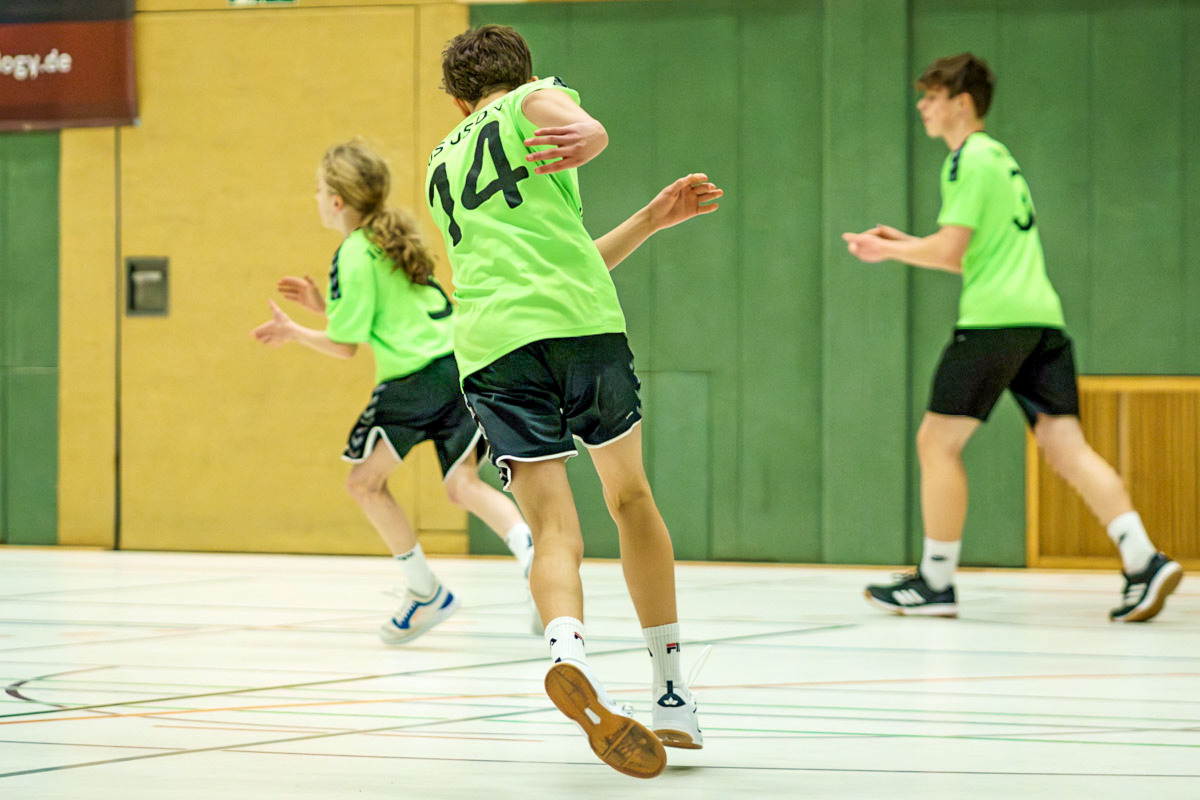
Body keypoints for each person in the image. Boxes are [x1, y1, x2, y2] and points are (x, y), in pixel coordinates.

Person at [427, 25, 723, 778]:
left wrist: (650, 219)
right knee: (630, 499)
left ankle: (568, 652)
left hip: (492, 346)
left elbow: (560, 259)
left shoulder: (439, 163)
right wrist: (590, 133)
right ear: (523, 75)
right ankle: (671, 692)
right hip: (580, 330)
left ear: (458, 102)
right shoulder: (532, 99)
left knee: (553, 526)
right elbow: (576, 123)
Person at [843, 53, 1183, 623]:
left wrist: (888, 250)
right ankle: (1143, 559)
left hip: (993, 322)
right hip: (1042, 321)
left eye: (932, 96)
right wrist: (908, 243)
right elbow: (972, 256)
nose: (923, 107)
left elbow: (951, 252)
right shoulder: (1001, 159)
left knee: (936, 443)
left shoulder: (967, 161)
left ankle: (935, 580)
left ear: (962, 103)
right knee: (1066, 448)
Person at [252, 139, 538, 644]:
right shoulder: (391, 238)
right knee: (462, 485)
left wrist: (294, 331)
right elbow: (384, 318)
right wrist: (323, 308)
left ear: (336, 200)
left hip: (415, 379)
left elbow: (345, 347)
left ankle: (426, 591)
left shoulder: (352, 252)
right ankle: (537, 559)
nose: (314, 198)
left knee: (364, 483)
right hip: (461, 365)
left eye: (317, 189)